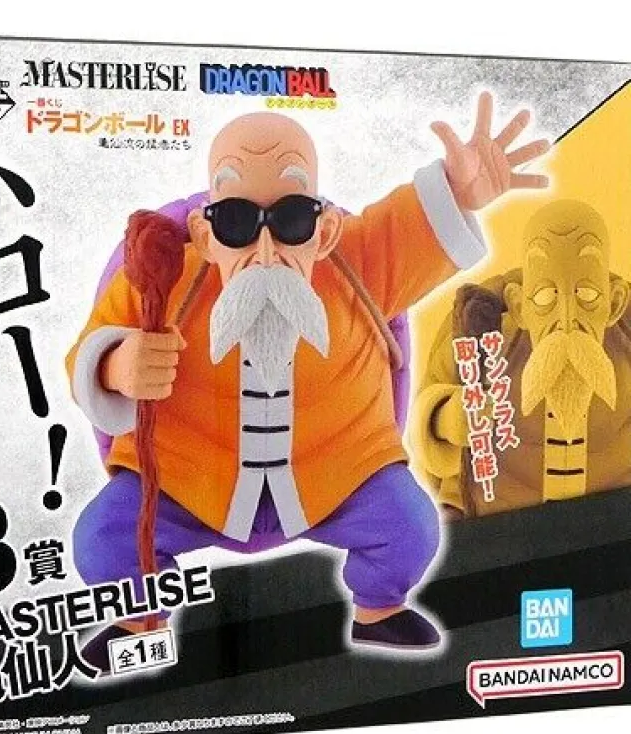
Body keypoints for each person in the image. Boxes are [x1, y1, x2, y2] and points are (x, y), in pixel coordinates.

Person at [66, 95, 549, 669]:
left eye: (291, 219)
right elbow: (88, 352)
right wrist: (116, 365)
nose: (266, 250)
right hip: (185, 481)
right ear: (205, 229)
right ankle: (140, 618)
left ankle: (378, 609)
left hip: (337, 476)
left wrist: (458, 192)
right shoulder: (162, 277)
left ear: (323, 227)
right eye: (237, 222)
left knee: (410, 528)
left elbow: (416, 227)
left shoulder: (357, 262)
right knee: (103, 540)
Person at [410, 199, 631, 517]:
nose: (566, 320)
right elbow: (427, 411)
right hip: (499, 527)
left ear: (615, 303)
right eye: (544, 297)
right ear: (519, 305)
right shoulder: (483, 327)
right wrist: (447, 419)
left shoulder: (626, 339)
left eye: (587, 296)